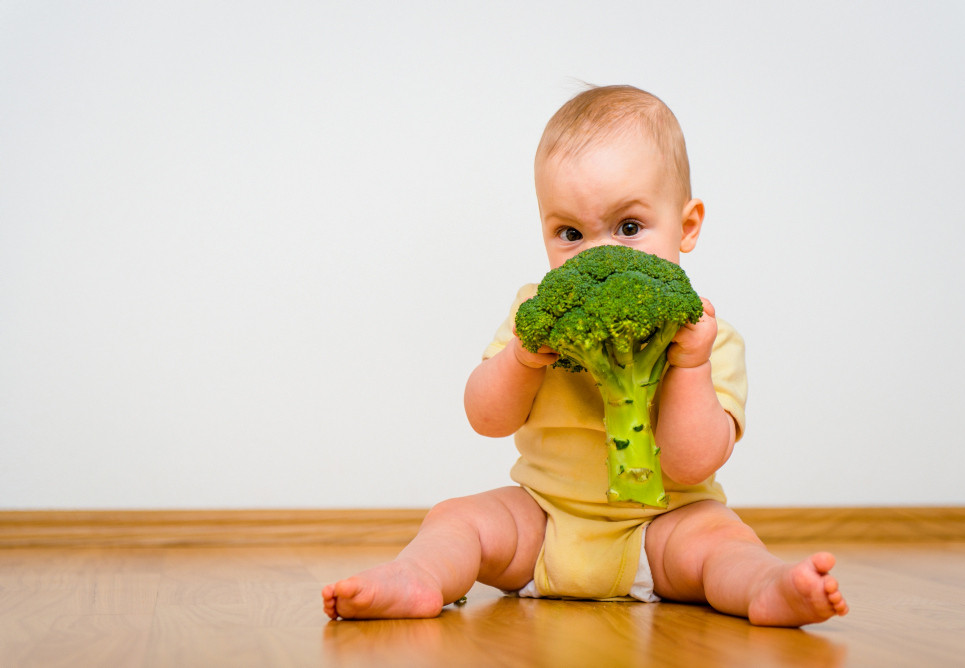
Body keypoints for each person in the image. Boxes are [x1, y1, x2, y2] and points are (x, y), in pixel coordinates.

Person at [322, 85, 848, 627]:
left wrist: (689, 366)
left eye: (628, 228)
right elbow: (485, 418)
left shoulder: (708, 337)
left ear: (687, 225)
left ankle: (767, 587)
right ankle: (418, 577)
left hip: (664, 527)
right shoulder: (536, 315)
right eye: (569, 233)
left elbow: (695, 463)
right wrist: (522, 360)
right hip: (544, 521)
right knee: (458, 519)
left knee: (722, 541)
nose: (599, 255)